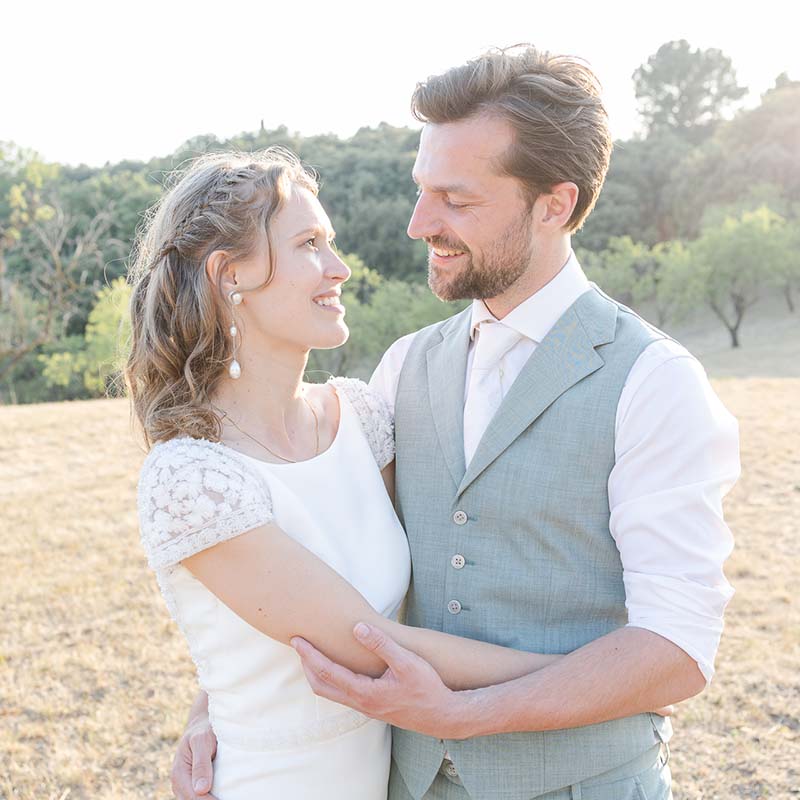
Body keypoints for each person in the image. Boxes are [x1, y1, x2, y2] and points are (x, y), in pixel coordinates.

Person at [169, 47, 739, 800]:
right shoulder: (403, 368)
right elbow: (320, 569)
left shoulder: (654, 381)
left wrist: (467, 715)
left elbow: (677, 651)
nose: (419, 224)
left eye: (456, 200)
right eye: (420, 190)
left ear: (555, 205)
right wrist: (218, 706)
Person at [128, 148, 617, 800]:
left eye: (329, 242)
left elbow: (432, 565)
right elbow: (371, 643)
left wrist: (206, 703)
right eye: (308, 244)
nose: (340, 268)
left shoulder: (360, 417)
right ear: (228, 274)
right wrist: (598, 679)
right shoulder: (190, 477)